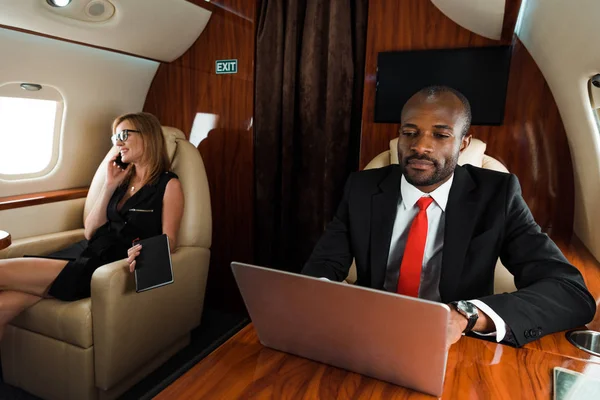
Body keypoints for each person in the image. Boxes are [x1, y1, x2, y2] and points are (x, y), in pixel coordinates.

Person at [302, 86, 596, 347]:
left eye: (440, 135)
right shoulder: (362, 187)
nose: (420, 146)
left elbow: (569, 291)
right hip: (369, 335)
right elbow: (322, 268)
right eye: (409, 132)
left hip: (457, 345)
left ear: (463, 143)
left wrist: (465, 316)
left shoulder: (497, 195)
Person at [0, 112, 184, 341]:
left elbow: (171, 240)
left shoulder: (168, 184)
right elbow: (90, 232)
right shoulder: (122, 179)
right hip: (85, 251)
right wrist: (109, 185)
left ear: (148, 136)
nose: (118, 143)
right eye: (115, 137)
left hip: (106, 265)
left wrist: (144, 252)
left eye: (124, 135)